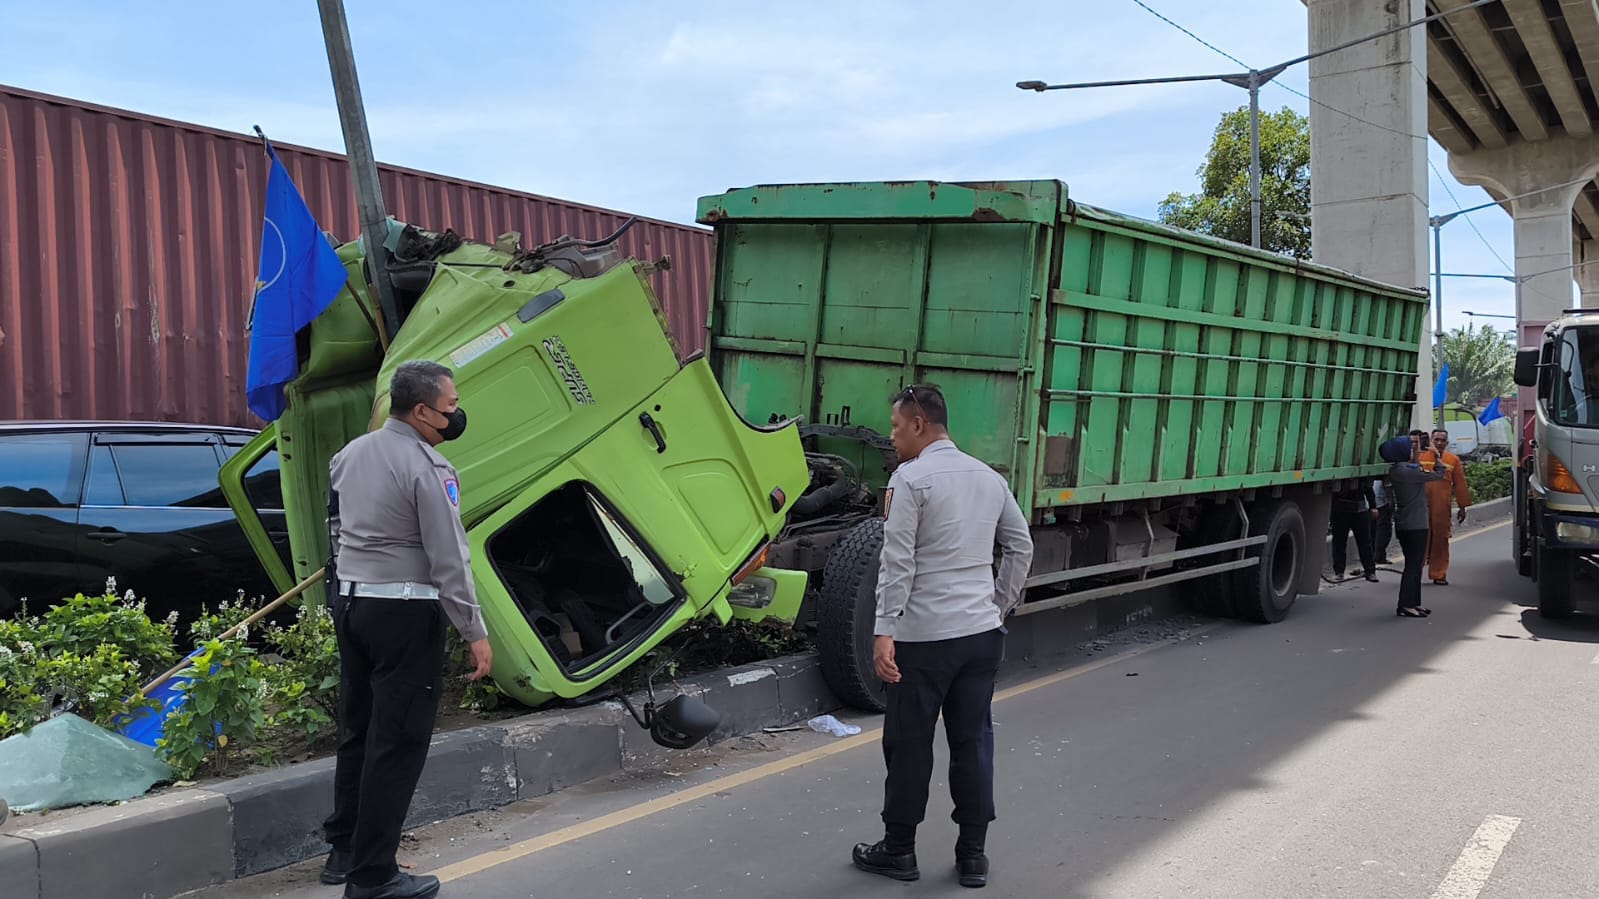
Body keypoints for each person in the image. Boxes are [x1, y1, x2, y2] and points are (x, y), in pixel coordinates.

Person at [320, 360, 494, 899]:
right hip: (404, 613)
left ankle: (343, 851)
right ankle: (373, 877)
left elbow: (335, 529)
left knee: (360, 731)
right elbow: (450, 558)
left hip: (352, 608)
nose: (456, 414)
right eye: (450, 407)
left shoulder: (349, 454)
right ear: (421, 411)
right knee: (396, 743)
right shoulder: (429, 467)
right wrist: (473, 629)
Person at [852, 385, 1033, 890]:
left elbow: (897, 561)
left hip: (924, 638)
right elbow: (1021, 546)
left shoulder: (910, 480)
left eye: (895, 426)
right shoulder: (988, 478)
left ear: (919, 425)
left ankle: (899, 851)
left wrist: (883, 631)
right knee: (973, 741)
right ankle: (972, 856)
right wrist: (998, 607)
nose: (891, 437)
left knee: (909, 744)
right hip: (979, 637)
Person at [1382, 432, 1447, 618]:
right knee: (1413, 566)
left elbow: (1416, 466)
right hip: (1416, 525)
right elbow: (1439, 474)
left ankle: (1414, 603)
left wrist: (1417, 454)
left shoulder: (1398, 470)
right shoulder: (1410, 472)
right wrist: (1437, 455)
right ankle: (1406, 605)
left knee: (1415, 565)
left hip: (1405, 524)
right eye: (1409, 446)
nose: (1413, 448)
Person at [1422, 428, 1472, 586]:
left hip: (1442, 508)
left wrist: (1463, 507)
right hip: (1421, 505)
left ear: (1447, 443)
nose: (1439, 443)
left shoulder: (1453, 460)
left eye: (1442, 440)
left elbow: (1460, 485)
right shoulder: (1421, 457)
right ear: (1431, 440)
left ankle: (1438, 574)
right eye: (1436, 439)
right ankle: (1414, 572)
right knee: (1419, 538)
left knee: (1441, 540)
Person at [1329, 478, 1379, 582]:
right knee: (1339, 542)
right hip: (1340, 509)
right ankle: (1339, 572)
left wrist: (1373, 506)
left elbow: (1368, 486)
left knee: (1365, 543)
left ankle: (1370, 571)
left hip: (1359, 509)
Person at [1371, 476, 1394, 566]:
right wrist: (1391, 501)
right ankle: (1379, 556)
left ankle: (1373, 555)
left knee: (1372, 530)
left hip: (1370, 502)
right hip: (1382, 502)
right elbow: (1388, 486)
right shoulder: (1383, 468)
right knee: (1383, 531)